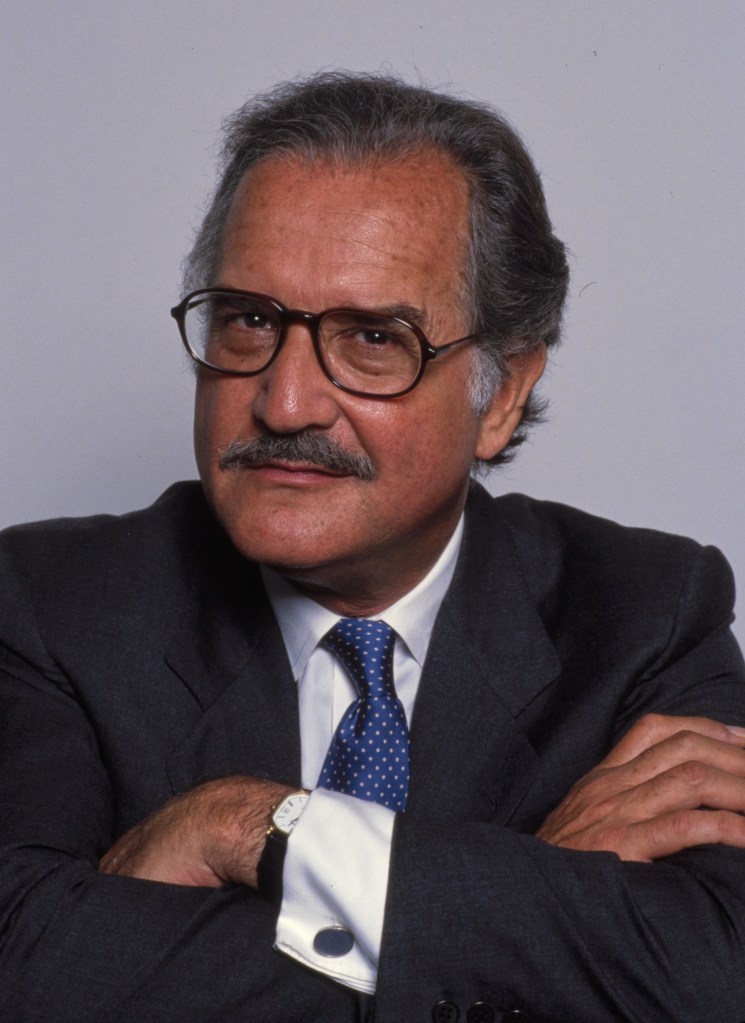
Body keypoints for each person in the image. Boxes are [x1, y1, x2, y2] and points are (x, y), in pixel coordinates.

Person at [1, 72, 745, 1023]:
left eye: (372, 339)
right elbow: (26, 967)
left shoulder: (647, 611)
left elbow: (715, 975)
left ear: (502, 394)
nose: (285, 403)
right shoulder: (44, 603)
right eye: (250, 320)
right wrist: (526, 903)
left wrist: (255, 827)